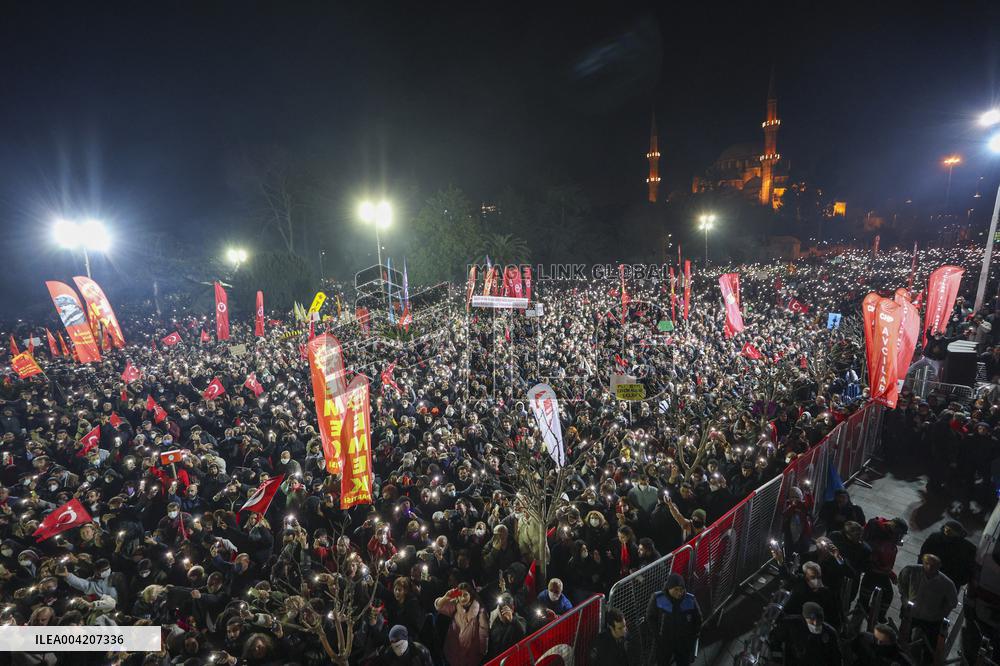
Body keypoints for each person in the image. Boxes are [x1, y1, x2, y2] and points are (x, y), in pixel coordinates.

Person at [897, 554, 958, 654]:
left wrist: (940, 614)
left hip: (931, 620)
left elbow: (952, 602)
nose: (929, 567)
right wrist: (905, 600)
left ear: (939, 567)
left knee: (929, 645)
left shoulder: (946, 583)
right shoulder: (912, 570)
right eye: (927, 563)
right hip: (911, 614)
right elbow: (901, 583)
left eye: (933, 566)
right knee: (903, 638)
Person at [645, 573, 702, 666]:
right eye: (676, 589)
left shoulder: (690, 599)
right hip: (664, 642)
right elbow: (650, 617)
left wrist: (692, 637)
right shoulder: (658, 598)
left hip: (683, 643)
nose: (679, 593)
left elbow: (698, 619)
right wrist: (657, 635)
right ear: (669, 588)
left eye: (681, 589)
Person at [770, 601, 842, 665]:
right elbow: (775, 639)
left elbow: (836, 658)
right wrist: (777, 659)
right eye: (812, 620)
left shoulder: (830, 633)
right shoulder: (791, 625)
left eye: (819, 619)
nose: (815, 623)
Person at [434, 583, 489, 666]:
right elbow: (439, 607)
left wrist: (483, 652)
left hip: (472, 656)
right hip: (454, 655)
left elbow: (484, 633)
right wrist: (445, 597)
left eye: (465, 595)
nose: (463, 598)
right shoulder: (455, 607)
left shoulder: (480, 611)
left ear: (471, 595)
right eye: (460, 595)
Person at [918, 521, 976, 590]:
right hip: (946, 582)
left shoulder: (934, 538)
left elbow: (923, 556)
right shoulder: (968, 548)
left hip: (937, 580)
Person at [485, 594, 526, 661]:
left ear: (513, 608)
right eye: (502, 608)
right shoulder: (496, 623)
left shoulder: (519, 620)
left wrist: (512, 620)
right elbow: (493, 645)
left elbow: (522, 632)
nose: (505, 611)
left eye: (509, 607)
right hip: (501, 660)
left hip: (516, 658)